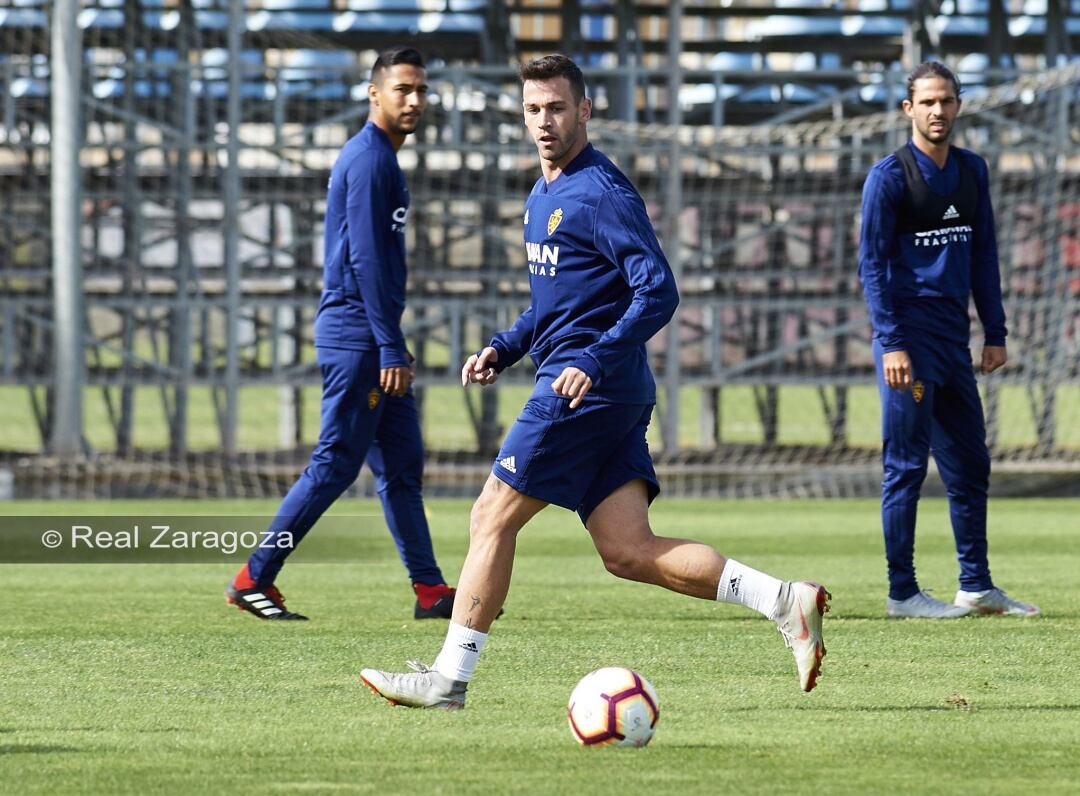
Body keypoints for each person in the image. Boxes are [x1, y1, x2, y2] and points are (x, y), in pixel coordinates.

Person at [359, 54, 831, 709]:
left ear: (585, 110)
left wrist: (594, 356)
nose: (543, 122)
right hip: (604, 388)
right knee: (627, 550)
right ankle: (784, 601)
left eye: (556, 108)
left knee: (490, 515)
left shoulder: (601, 191)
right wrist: (505, 346)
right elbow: (557, 303)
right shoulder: (543, 191)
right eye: (532, 110)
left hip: (586, 390)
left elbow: (658, 290)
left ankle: (449, 679)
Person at [225, 47, 457, 621]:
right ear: (374, 93)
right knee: (334, 463)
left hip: (371, 333)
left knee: (402, 467)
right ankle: (253, 577)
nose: (415, 100)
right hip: (359, 337)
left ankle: (430, 591)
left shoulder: (380, 157)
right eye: (403, 89)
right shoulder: (369, 160)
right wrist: (387, 344)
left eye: (422, 90)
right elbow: (365, 260)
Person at [858, 61, 1040, 619]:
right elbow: (871, 266)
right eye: (928, 102)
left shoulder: (972, 171)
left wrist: (996, 331)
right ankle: (902, 592)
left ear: (959, 105)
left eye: (948, 101)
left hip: (954, 341)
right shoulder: (889, 178)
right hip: (908, 343)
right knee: (907, 468)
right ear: (908, 109)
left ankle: (976, 585)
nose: (938, 111)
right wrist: (891, 343)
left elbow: (983, 254)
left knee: (969, 462)